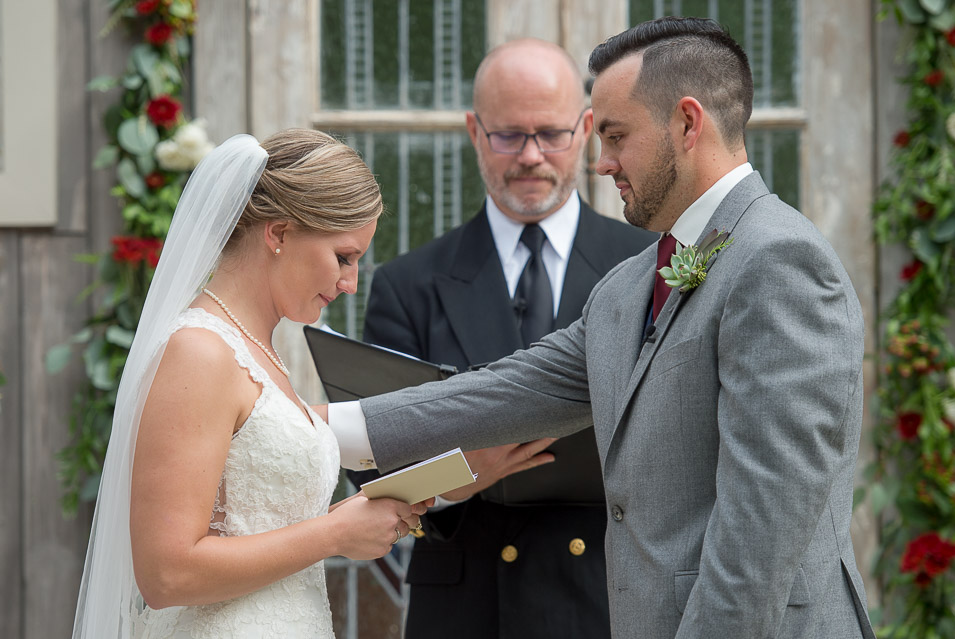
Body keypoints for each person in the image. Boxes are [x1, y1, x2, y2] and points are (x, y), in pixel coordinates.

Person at [323, 17, 877, 639]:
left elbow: (761, 531)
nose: (601, 162)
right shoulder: (633, 281)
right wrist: (312, 427)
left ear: (688, 124)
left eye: (614, 135)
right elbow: (513, 388)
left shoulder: (781, 263)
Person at [72, 129, 431, 639]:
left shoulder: (257, 351)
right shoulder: (199, 352)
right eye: (343, 257)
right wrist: (333, 533)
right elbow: (167, 573)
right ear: (279, 234)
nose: (350, 284)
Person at [350, 39, 654, 639]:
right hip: (467, 610)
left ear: (588, 128)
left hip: (609, 602)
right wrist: (460, 473)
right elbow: (370, 473)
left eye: (551, 134)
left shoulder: (650, 264)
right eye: (508, 135)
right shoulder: (407, 285)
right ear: (474, 131)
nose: (531, 156)